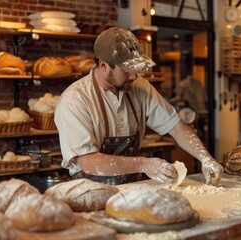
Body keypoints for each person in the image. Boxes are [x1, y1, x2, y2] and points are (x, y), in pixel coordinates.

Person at [54, 27, 223, 186]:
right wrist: (144, 164)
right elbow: (89, 162)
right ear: (104, 66)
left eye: (135, 69)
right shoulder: (75, 100)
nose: (134, 76)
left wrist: (205, 158)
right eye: (127, 70)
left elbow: (176, 126)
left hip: (133, 189)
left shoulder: (140, 87)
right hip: (91, 193)